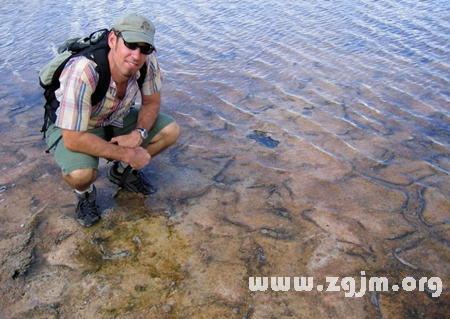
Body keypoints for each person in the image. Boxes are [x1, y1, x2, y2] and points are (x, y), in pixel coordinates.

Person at [45, 12, 180, 227]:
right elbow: (73, 138)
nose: (136, 55)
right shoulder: (84, 70)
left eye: (144, 48)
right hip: (75, 128)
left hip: (114, 118)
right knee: (81, 174)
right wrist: (128, 153)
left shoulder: (147, 62)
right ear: (112, 40)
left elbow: (151, 103)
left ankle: (121, 173)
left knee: (170, 130)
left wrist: (139, 134)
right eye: (130, 44)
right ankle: (85, 194)